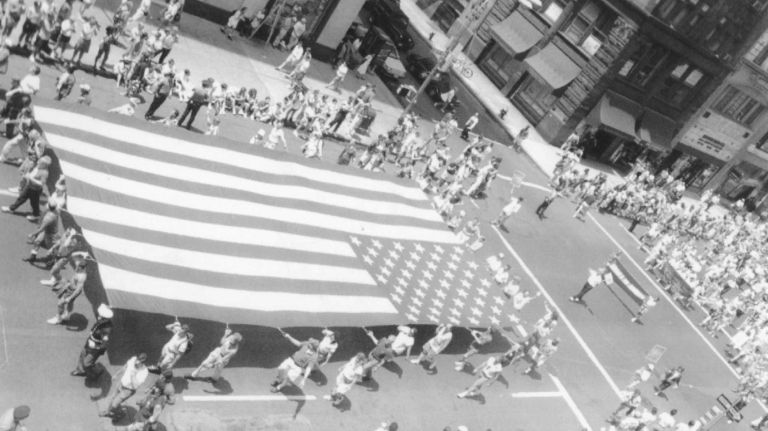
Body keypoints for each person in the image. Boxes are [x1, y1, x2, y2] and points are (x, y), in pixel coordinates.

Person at [101, 353, 150, 417]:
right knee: (112, 398)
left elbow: (135, 386)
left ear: (142, 363)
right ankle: (107, 412)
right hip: (121, 383)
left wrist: (133, 375)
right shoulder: (133, 359)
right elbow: (125, 367)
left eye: (138, 362)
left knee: (114, 405)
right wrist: (116, 374)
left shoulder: (144, 372)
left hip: (128, 390)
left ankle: (120, 413)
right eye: (137, 360)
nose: (136, 362)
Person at [72, 304, 113, 378]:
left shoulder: (106, 329)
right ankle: (80, 370)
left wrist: (95, 346)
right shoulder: (101, 321)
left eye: (101, 316)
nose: (98, 316)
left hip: (95, 348)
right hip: (90, 342)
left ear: (105, 318)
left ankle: (94, 374)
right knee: (83, 355)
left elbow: (104, 345)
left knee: (87, 363)